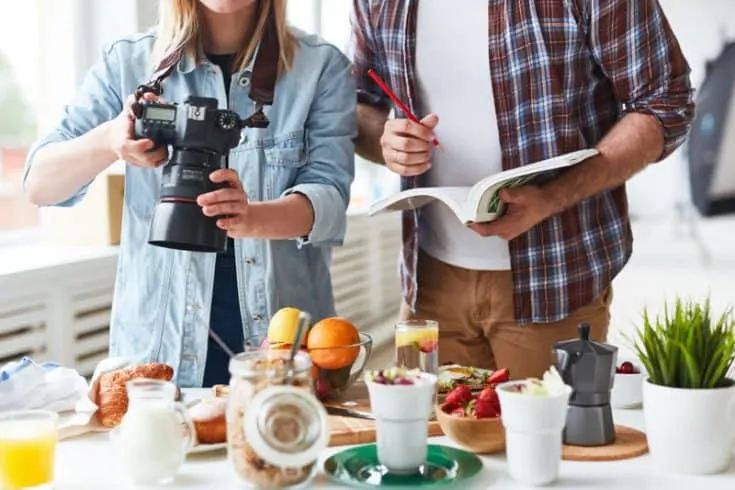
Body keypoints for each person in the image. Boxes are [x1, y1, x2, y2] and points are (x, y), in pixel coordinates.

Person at [350, 0, 694, 379]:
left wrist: (554, 195)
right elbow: (363, 106)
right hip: (429, 282)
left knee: (548, 437)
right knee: (426, 436)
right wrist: (386, 140)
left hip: (554, 276)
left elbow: (664, 102)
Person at [24, 0, 356, 387]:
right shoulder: (128, 62)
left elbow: (330, 198)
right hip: (157, 351)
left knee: (280, 444)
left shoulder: (320, 68)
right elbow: (40, 183)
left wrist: (252, 217)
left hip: (286, 352)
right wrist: (110, 137)